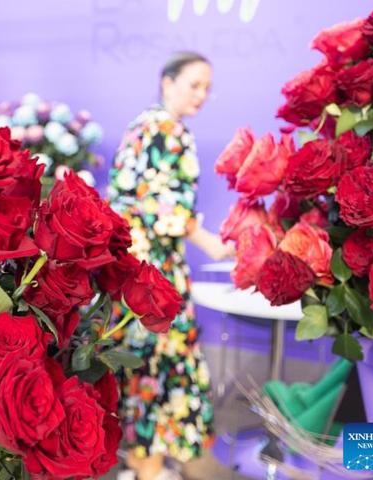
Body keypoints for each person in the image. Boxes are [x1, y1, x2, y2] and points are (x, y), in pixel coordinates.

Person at [107, 51, 234, 480]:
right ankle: (152, 470)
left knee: (142, 371)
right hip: (155, 272)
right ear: (167, 81)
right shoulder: (169, 128)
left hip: (130, 270)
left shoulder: (141, 123)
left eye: (207, 88)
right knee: (160, 369)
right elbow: (162, 204)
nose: (201, 94)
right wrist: (211, 243)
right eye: (194, 84)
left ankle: (147, 466)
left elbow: (128, 196)